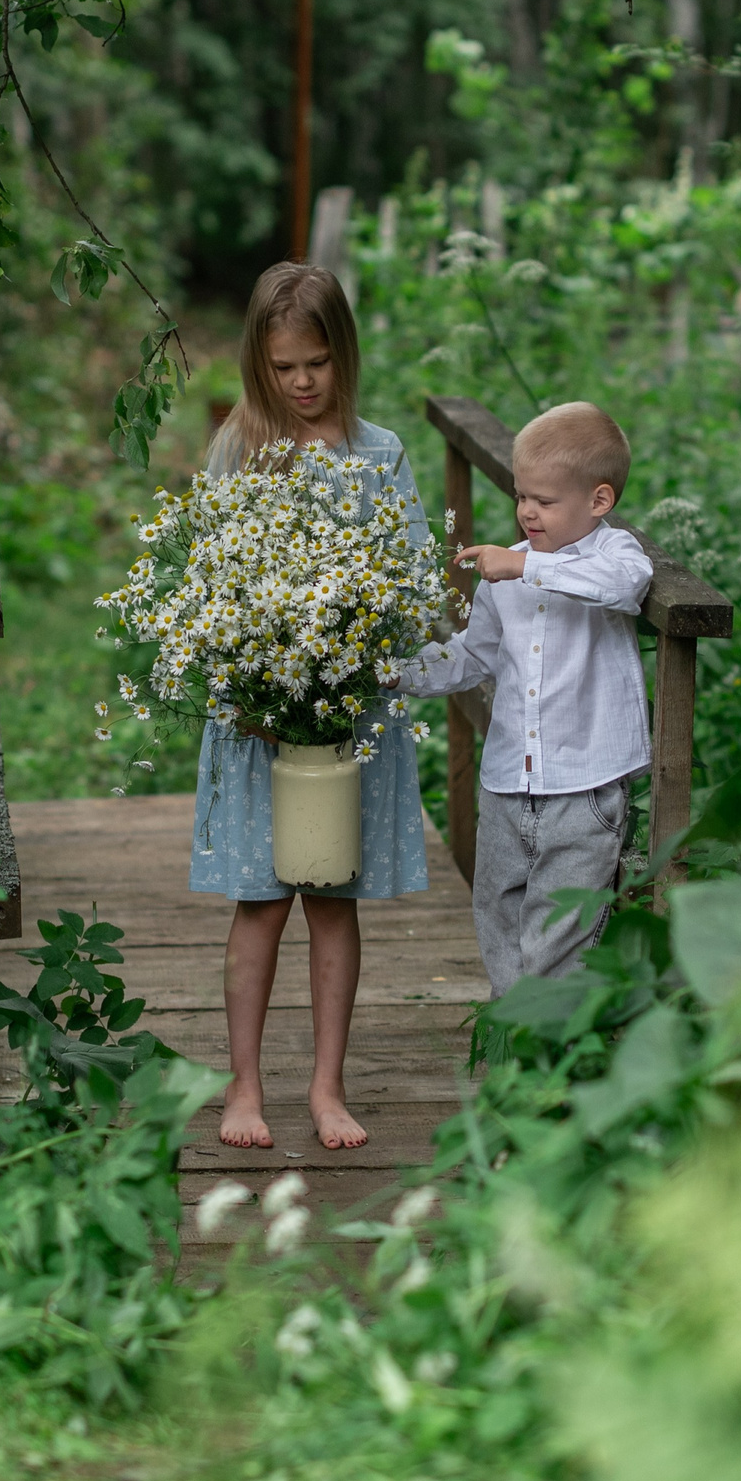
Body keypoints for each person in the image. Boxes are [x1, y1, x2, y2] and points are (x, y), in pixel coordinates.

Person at [192, 261, 433, 1151]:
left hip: (349, 720)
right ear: (260, 362)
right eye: (285, 365)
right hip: (260, 721)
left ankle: (327, 1085)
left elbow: (410, 580)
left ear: (345, 357)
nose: (302, 382)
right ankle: (243, 1084)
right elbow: (210, 581)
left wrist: (364, 642)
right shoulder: (239, 452)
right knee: (260, 902)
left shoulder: (382, 453)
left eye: (318, 363)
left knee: (333, 900)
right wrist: (244, 679)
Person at [394, 402, 652, 997]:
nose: (527, 511)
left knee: (562, 933)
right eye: (520, 496)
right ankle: (518, 1039)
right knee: (499, 914)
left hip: (583, 787)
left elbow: (623, 590)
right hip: (509, 782)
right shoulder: (507, 572)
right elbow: (473, 654)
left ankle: (550, 1052)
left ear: (599, 501)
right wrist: (394, 672)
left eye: (544, 500)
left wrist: (528, 566)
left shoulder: (614, 556)